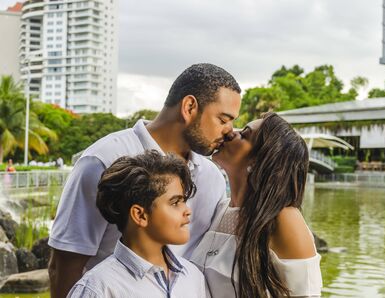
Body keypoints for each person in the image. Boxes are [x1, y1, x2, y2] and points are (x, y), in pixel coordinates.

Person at [48, 63, 241, 297]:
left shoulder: (213, 178)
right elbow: (65, 264)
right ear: (189, 107)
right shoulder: (103, 159)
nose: (230, 132)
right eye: (223, 119)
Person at [190, 112, 322, 297]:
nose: (229, 132)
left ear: (260, 159)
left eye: (244, 134)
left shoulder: (284, 219)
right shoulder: (220, 209)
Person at [68, 151, 206, 298]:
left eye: (184, 201)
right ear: (140, 215)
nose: (187, 210)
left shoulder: (192, 276)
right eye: (175, 202)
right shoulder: (99, 289)